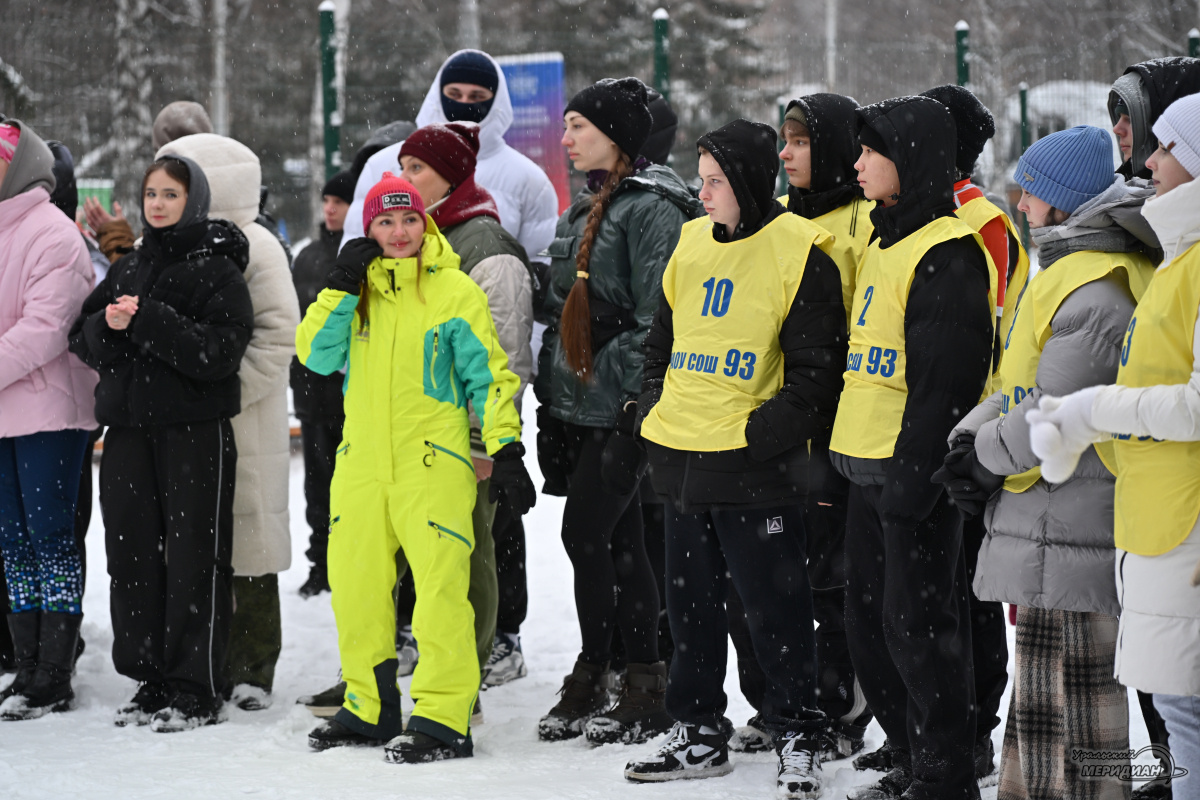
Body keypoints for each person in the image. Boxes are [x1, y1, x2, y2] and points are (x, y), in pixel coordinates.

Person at [622, 118, 846, 798]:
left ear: (748, 182)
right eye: (701, 178)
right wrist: (652, 407)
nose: (703, 191)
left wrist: (758, 436)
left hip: (755, 469)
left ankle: (800, 732)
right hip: (681, 458)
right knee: (688, 612)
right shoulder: (691, 242)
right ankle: (698, 731)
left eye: (715, 180)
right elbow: (658, 342)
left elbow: (815, 374)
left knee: (774, 613)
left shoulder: (800, 250)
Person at [943, 125, 1157, 800]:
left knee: (1079, 703)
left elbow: (1055, 407)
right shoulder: (1068, 272)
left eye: (1031, 192)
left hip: (1078, 516)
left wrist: (983, 457)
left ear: (1063, 202)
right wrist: (969, 439)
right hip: (1054, 516)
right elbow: (1022, 383)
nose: (1021, 203)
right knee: (1047, 698)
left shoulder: (1096, 290)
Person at [298, 173, 535, 762]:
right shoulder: (357, 291)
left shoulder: (454, 291)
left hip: (434, 463)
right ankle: (369, 707)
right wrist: (339, 287)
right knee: (355, 589)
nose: (398, 232)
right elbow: (315, 354)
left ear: (424, 223)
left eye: (408, 220)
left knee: (439, 596)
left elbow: (489, 377)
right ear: (369, 228)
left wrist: (505, 449)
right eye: (385, 221)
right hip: (362, 465)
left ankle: (443, 718)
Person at [1028, 93, 1200, 800]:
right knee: (1178, 711)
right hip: (1160, 518)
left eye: (1166, 149)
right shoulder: (1178, 256)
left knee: (1187, 717)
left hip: (1185, 525)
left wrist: (1095, 408)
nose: (1149, 161)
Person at [831, 95, 995, 800]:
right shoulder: (884, 236)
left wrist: (910, 486)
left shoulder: (949, 253)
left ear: (911, 159)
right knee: (872, 627)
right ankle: (907, 753)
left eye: (871, 151)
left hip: (910, 482)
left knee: (923, 632)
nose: (857, 162)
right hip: (862, 470)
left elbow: (944, 390)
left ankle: (944, 774)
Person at [534, 77, 701, 745]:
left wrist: (634, 400)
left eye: (578, 127)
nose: (566, 138)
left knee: (587, 536)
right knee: (621, 544)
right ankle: (629, 674)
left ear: (617, 139)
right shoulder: (583, 208)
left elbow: (660, 317)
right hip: (583, 403)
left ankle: (616, 669)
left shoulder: (651, 207)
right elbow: (565, 306)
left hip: (623, 407)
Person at [68, 155, 254, 731]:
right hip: (127, 433)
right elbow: (82, 337)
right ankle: (149, 678)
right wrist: (111, 328)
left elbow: (218, 353)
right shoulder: (129, 267)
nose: (156, 204)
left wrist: (148, 321)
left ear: (192, 200)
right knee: (130, 556)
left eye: (170, 194)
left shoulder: (218, 269)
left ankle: (194, 685)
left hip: (193, 434)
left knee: (196, 555)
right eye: (150, 193)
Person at [726, 92, 875, 763]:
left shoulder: (866, 221)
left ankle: (842, 706)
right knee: (772, 577)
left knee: (829, 579)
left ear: (837, 146)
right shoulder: (780, 219)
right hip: (775, 425)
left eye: (800, 141)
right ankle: (781, 704)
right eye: (782, 141)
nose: (784, 155)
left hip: (838, 428)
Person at [156, 133, 299, 712]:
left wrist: (226, 391)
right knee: (195, 543)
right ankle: (202, 660)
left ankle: (254, 666)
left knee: (250, 547)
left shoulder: (258, 246)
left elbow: (279, 334)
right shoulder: (169, 241)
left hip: (241, 418)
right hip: (185, 422)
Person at [913, 83, 1029, 783]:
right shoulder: (923, 212)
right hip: (934, 420)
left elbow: (978, 324)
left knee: (970, 587)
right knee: (936, 587)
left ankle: (978, 724)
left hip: (972, 429)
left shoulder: (979, 220)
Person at [392, 121, 534, 686]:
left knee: (467, 557)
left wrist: (486, 443)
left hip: (462, 437)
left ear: (450, 176)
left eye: (416, 169)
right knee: (425, 555)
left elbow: (506, 356)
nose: (403, 179)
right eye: (402, 167)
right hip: (417, 432)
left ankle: (461, 678)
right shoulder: (415, 236)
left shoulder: (486, 248)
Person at [0, 120, 96, 721]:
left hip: (50, 413)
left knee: (51, 537)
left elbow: (43, 331)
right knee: (11, 540)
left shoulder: (52, 234)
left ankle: (54, 671)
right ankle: (27, 660)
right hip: (5, 412)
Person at [342, 49, 558, 268]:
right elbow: (354, 252)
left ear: (497, 102)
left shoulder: (528, 179)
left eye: (477, 97)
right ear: (438, 95)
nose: (464, 103)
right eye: (454, 94)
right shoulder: (381, 164)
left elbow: (539, 264)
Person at [293, 169, 355, 599]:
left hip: (352, 396)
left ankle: (354, 562)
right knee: (318, 484)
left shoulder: (359, 255)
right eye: (327, 201)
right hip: (312, 394)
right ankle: (322, 564)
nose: (330, 209)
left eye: (340, 202)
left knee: (351, 487)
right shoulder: (308, 256)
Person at [1109, 58, 1200, 181]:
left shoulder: (1164, 198)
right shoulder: (1123, 189)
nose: (1116, 129)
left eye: (1130, 119)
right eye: (1119, 117)